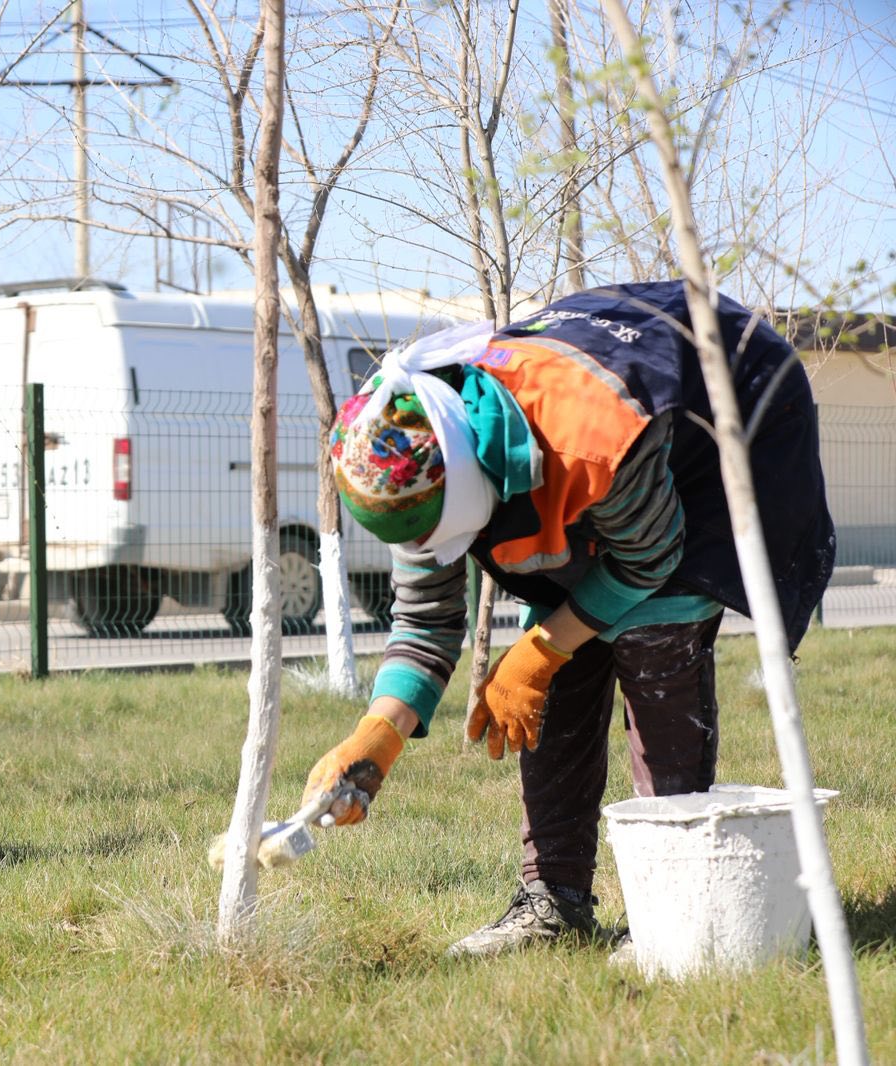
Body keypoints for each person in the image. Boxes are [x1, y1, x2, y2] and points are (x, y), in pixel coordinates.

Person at [302, 281, 835, 957]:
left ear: (474, 483)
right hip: (593, 482)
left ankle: (675, 914)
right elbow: (427, 621)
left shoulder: (590, 437)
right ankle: (553, 902)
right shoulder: (404, 455)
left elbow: (649, 558)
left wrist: (540, 650)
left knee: (654, 633)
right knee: (553, 676)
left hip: (720, 431)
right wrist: (377, 736)